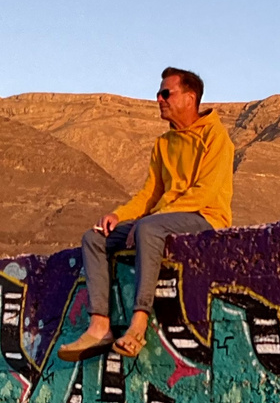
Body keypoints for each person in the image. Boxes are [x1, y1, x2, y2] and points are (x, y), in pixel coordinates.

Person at [58, 67, 233, 360]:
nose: (159, 99)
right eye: (158, 93)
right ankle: (100, 326)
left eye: (166, 93)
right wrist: (118, 215)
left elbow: (205, 192)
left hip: (204, 217)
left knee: (148, 229)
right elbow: (149, 194)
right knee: (94, 238)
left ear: (190, 98)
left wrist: (146, 221)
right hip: (161, 218)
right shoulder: (163, 143)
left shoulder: (217, 137)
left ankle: (138, 325)